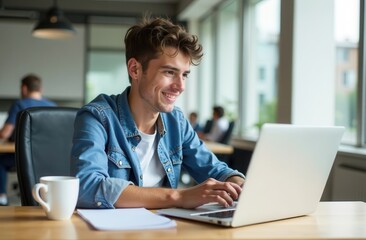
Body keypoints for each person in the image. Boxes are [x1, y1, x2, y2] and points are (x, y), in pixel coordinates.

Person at [71, 17, 245, 210]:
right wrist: (177, 196)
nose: (180, 86)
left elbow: (214, 169)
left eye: (184, 75)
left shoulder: (176, 121)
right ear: (135, 69)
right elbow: (87, 187)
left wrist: (238, 184)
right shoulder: (97, 117)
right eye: (169, 72)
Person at [0, 74, 56, 206]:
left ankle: (1, 197)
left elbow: (4, 134)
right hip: (48, 158)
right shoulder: (53, 105)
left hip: (24, 157)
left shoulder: (20, 104)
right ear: (40, 89)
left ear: (24, 88)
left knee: (0, 161)